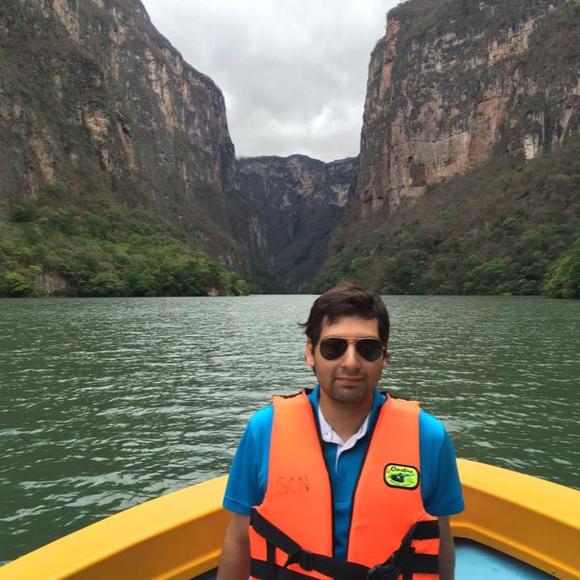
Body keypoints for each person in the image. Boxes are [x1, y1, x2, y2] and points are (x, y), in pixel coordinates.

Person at [218, 285, 464, 580]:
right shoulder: (264, 431)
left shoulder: (429, 437)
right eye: (333, 348)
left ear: (385, 356)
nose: (350, 362)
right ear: (310, 353)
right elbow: (239, 538)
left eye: (367, 349)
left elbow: (440, 540)